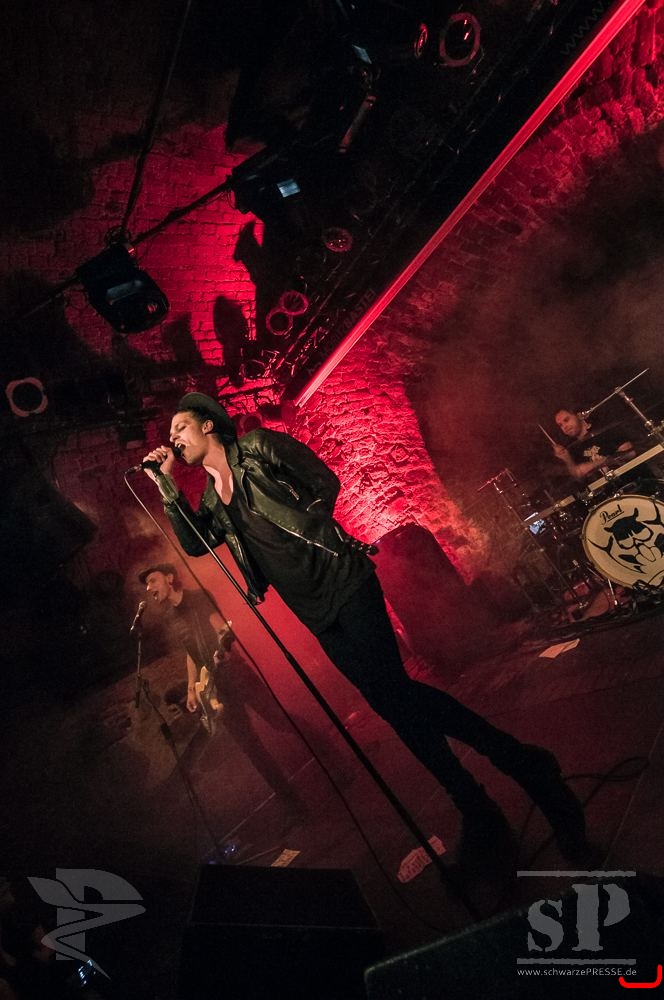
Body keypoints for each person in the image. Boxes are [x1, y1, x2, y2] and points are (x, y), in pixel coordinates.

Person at [141, 392, 589, 864]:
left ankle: (514, 768)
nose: (173, 439)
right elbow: (196, 544)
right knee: (393, 705)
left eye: (180, 428)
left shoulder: (257, 448)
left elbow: (323, 480)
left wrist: (317, 533)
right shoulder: (213, 498)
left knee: (394, 693)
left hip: (345, 579)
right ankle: (487, 798)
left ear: (208, 425)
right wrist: (166, 487)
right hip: (315, 612)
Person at [138, 562, 306, 817]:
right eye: (147, 585)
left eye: (153, 580)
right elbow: (191, 654)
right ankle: (294, 807)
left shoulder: (197, 598)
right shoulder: (170, 616)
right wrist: (192, 688)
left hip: (234, 674)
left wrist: (221, 650)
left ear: (170, 578)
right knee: (250, 746)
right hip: (215, 687)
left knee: (279, 720)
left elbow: (222, 628)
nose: (149, 588)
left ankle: (333, 759)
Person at [552, 409, 635, 482]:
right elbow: (579, 478)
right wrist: (567, 460)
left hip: (628, 480)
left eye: (566, 420)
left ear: (579, 416)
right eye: (560, 425)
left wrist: (592, 465)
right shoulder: (573, 448)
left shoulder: (603, 430)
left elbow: (630, 453)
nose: (564, 426)